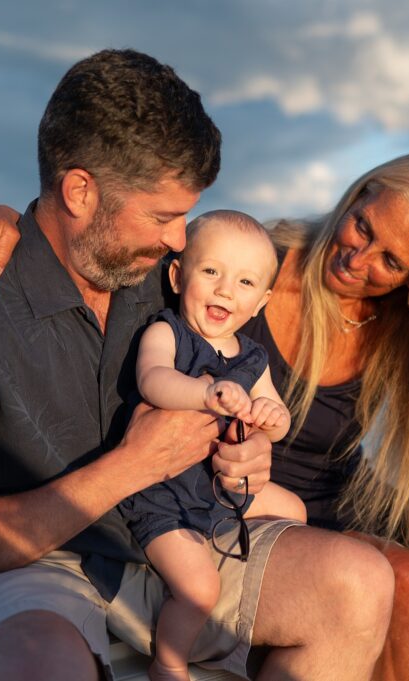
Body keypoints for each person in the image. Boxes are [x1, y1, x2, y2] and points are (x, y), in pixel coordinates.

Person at [0, 152, 409, 681]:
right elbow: (130, 245)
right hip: (237, 492)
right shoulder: (246, 271)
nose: (359, 257)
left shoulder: (406, 332)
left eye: (391, 262)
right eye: (362, 225)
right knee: (408, 588)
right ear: (357, 195)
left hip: (336, 492)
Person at [0, 48, 394, 681]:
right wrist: (132, 466)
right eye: (163, 215)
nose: (181, 239)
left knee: (360, 583)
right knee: (43, 664)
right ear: (79, 191)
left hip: (174, 545)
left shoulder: (165, 279)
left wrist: (248, 453)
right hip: (17, 573)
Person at [125, 209, 306, 680]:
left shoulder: (251, 356)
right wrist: (205, 394)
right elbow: (153, 380)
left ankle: (257, 629)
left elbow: (276, 416)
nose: (226, 289)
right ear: (177, 275)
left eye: (245, 283)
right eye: (211, 272)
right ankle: (168, 661)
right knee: (199, 588)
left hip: (218, 490)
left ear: (262, 301)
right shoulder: (168, 332)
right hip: (163, 495)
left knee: (294, 511)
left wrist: (272, 418)